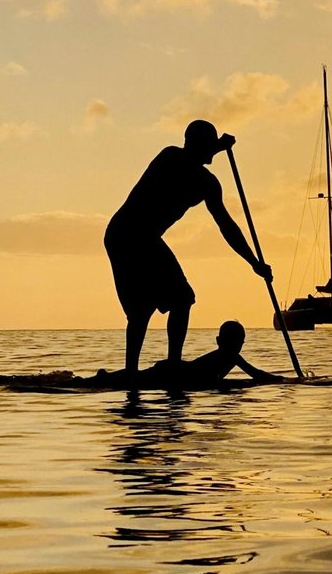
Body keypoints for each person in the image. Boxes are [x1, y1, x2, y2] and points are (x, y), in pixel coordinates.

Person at [105, 120, 271, 381]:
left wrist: (253, 262)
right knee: (145, 307)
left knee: (181, 298)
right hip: (124, 234)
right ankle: (134, 371)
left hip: (147, 238)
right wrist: (219, 146)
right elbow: (187, 162)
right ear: (195, 144)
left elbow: (226, 226)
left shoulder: (208, 184)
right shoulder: (170, 157)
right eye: (207, 146)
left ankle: (171, 364)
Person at [85, 320, 283, 390]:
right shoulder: (230, 356)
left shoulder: (231, 355)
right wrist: (283, 380)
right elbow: (257, 375)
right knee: (132, 379)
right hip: (172, 372)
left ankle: (104, 377)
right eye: (232, 342)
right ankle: (102, 377)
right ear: (219, 341)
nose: (236, 347)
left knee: (133, 377)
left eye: (239, 343)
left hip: (173, 370)